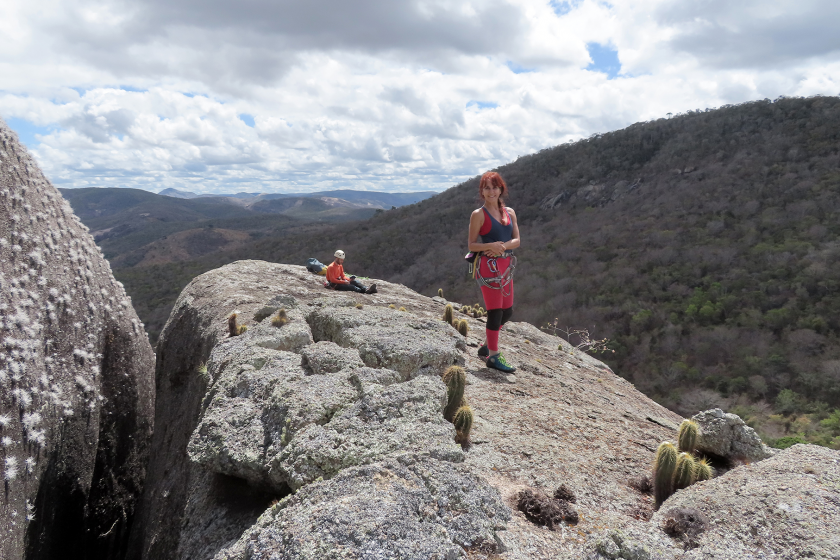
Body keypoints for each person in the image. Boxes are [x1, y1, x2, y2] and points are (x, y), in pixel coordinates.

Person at [468, 172, 520, 373]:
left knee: (507, 311)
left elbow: (517, 240)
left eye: (495, 187)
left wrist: (502, 247)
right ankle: (493, 355)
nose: (491, 191)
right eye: (487, 188)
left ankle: (487, 346)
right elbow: (472, 245)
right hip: (488, 266)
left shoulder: (510, 212)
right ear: (481, 191)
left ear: (501, 189)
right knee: (495, 312)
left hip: (506, 266)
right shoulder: (478, 214)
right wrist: (491, 246)